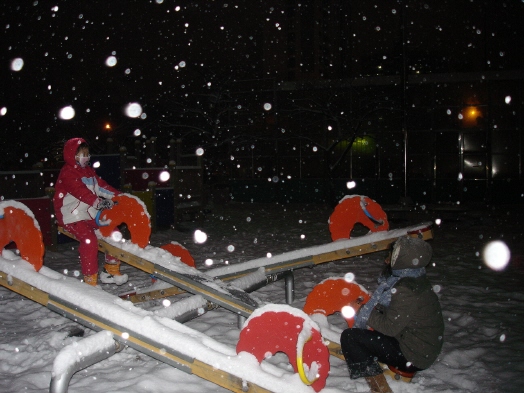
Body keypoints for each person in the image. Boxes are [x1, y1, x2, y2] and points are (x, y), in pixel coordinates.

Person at [340, 235, 444, 382]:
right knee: (370, 331)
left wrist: (361, 311)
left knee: (350, 338)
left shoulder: (405, 289)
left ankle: (376, 383)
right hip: (420, 348)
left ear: (401, 259)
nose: (386, 260)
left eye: (392, 255)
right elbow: (398, 314)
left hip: (413, 355)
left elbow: (390, 327)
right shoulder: (416, 278)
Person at [53, 137, 128, 286]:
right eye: (82, 154)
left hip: (88, 213)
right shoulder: (68, 173)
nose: (86, 158)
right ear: (72, 155)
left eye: (87, 154)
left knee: (112, 230)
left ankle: (110, 269)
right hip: (71, 215)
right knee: (90, 240)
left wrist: (120, 196)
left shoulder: (89, 172)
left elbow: (101, 187)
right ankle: (90, 280)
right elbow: (79, 191)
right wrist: (98, 202)